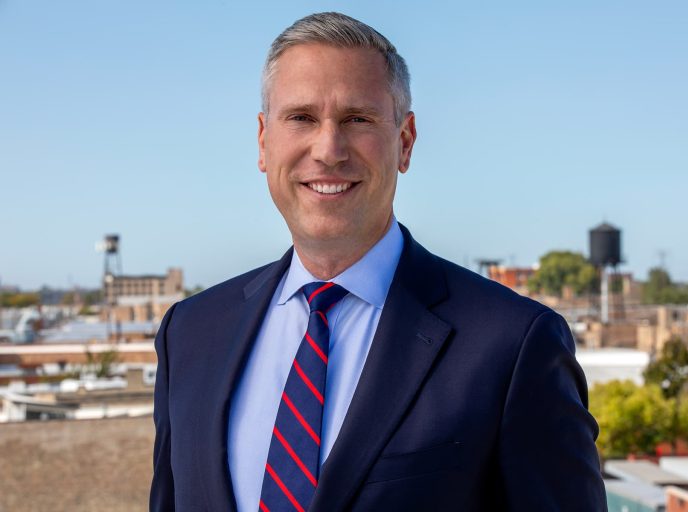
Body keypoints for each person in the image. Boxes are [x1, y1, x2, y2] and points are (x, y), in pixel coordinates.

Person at [150, 12, 607, 512]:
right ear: (263, 141)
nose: (328, 150)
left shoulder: (513, 344)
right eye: (301, 118)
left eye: (357, 119)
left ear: (405, 142)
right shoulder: (189, 334)